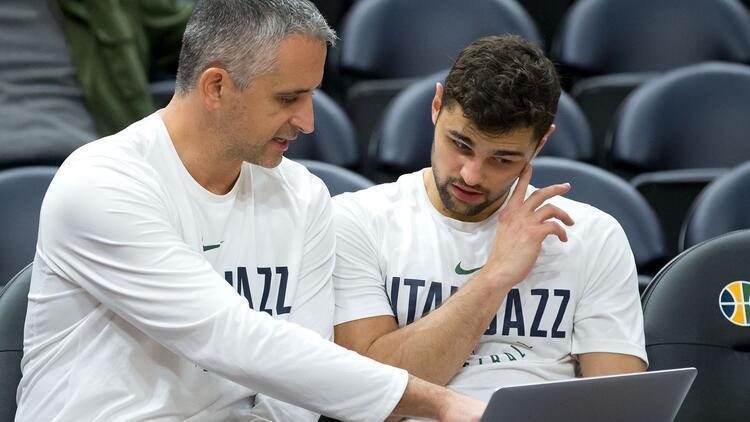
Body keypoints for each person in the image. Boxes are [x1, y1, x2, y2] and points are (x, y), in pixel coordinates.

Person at [15, 1, 484, 421]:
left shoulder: (304, 196)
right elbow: (228, 336)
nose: (308, 121)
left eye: (312, 95)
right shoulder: (103, 183)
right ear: (216, 86)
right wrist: (436, 401)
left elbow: (299, 388)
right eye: (288, 98)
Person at [332, 35, 648, 402]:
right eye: (460, 144)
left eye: (502, 159)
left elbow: (619, 406)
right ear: (436, 106)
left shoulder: (594, 237)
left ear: (540, 144)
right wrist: (495, 277)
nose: (471, 175)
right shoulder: (356, 221)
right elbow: (371, 401)